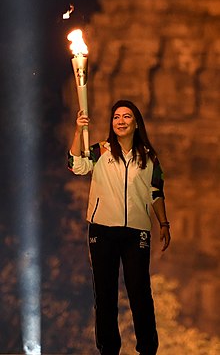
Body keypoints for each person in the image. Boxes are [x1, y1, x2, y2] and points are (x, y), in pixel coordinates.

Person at [68, 100, 171, 355]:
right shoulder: (101, 151)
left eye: (127, 116)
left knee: (140, 293)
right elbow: (75, 165)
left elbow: (156, 192)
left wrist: (163, 223)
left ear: (136, 123)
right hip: (102, 230)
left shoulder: (149, 157)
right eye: (116, 117)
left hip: (136, 231)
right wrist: (79, 130)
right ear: (111, 123)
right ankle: (108, 349)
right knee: (105, 294)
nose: (121, 121)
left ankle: (148, 349)